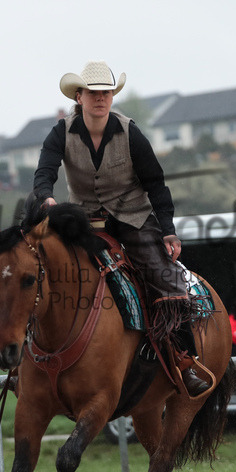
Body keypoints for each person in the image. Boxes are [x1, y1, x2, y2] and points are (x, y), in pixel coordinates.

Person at [33, 61, 210, 396]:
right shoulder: (61, 132)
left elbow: (156, 184)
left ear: (112, 97)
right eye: (95, 93)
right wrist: (46, 197)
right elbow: (45, 171)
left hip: (132, 216)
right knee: (40, 268)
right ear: (80, 96)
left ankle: (185, 361)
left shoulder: (130, 132)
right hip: (82, 219)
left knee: (166, 279)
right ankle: (26, 359)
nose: (101, 98)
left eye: (107, 93)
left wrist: (168, 231)